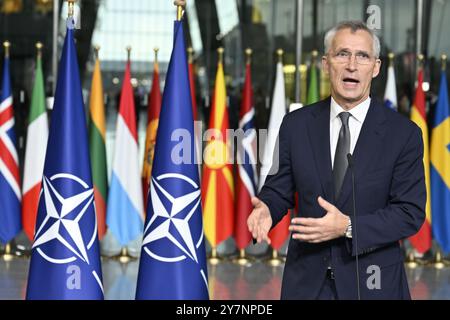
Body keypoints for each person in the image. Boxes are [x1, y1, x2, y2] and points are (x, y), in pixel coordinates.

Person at [247, 21, 426, 300]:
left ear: (375, 67)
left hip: (373, 284)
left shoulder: (404, 134)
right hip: (306, 285)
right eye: (342, 54)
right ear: (326, 63)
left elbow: (409, 213)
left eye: (362, 56)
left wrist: (347, 226)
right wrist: (267, 209)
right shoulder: (296, 125)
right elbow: (279, 188)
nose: (352, 65)